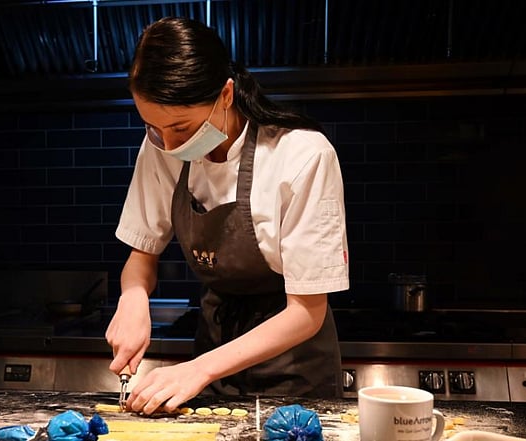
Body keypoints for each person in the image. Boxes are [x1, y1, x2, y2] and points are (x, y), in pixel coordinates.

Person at [106, 16, 349, 415]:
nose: (169, 144)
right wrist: (132, 299)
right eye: (154, 128)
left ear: (225, 94)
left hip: (294, 368)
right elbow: (142, 254)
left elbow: (308, 311)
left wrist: (197, 370)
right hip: (214, 354)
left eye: (182, 129)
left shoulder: (302, 155)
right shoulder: (161, 150)